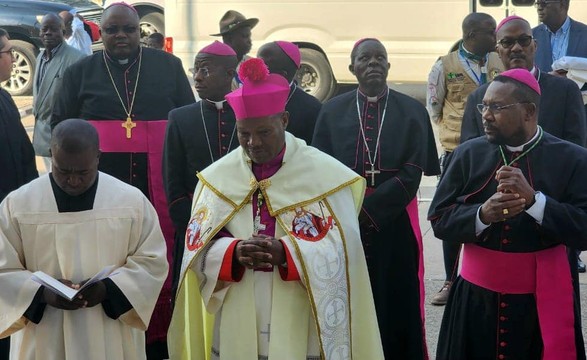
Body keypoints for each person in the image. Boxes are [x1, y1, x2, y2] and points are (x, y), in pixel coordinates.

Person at [167, 58, 384, 359]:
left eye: (264, 132)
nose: (253, 143)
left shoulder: (323, 175)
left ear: (283, 120)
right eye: (244, 134)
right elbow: (196, 248)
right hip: (237, 302)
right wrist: (232, 252)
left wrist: (289, 254)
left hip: (297, 304)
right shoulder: (217, 179)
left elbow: (344, 249)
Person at [50, 3, 195, 358]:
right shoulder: (80, 72)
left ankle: (154, 336)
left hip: (155, 185)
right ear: (101, 32)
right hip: (98, 188)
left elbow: (184, 125)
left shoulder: (169, 67)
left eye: (128, 30)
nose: (121, 37)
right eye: (112, 30)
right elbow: (60, 126)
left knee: (149, 256)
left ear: (139, 30)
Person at [428, 68, 587, 360]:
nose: (485, 116)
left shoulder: (572, 158)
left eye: (497, 107)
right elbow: (439, 219)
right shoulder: (467, 154)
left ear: (528, 111)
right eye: (484, 106)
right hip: (475, 302)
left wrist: (536, 202)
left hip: (540, 305)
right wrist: (481, 215)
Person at [312, 38, 440, 359]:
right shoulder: (330, 112)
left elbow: (413, 170)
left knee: (397, 297)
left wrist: (369, 213)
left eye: (380, 57)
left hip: (395, 221)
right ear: (351, 67)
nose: (373, 63)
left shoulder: (412, 110)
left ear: (389, 65)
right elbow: (321, 170)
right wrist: (349, 211)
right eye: (365, 58)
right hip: (343, 223)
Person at [0, 119, 168, 360]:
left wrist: (108, 289)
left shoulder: (130, 202)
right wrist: (43, 294)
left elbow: (152, 262)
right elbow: (4, 269)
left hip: (108, 332)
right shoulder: (18, 205)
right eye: (63, 171)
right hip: (44, 333)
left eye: (82, 172)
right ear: (51, 155)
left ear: (98, 157)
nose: (73, 180)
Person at [460, 15, 587, 278]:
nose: (516, 48)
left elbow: (576, 153)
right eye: (507, 42)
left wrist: (537, 201)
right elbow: (469, 162)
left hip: (552, 215)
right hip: (496, 220)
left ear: (534, 45)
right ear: (498, 49)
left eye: (523, 40)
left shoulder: (564, 91)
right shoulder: (478, 98)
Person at [426, 12, 503, 306]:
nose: (495, 39)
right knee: (453, 215)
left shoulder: (498, 62)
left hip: (494, 151)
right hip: (457, 152)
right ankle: (449, 279)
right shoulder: (444, 66)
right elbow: (434, 106)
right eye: (489, 32)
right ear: (471, 35)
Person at [163, 40, 239, 298]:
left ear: (230, 73)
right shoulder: (180, 117)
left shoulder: (247, 114)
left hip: (242, 230)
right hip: (194, 230)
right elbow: (172, 182)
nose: (197, 77)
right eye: (195, 70)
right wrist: (194, 227)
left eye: (205, 70)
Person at [0, 27, 39, 359]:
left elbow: (24, 158)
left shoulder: (5, 97)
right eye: (7, 51)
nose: (13, 58)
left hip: (12, 220)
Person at [33, 13, 85, 171]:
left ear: (63, 32)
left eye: (54, 29)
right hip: (43, 137)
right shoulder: (40, 56)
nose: (48, 33)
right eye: (45, 29)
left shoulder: (76, 59)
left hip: (65, 138)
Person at [257, 40, 321, 144]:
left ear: (282, 75)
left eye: (262, 65)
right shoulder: (246, 96)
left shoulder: (312, 109)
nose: (255, 68)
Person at [532, 0, 587, 73]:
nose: (539, 8)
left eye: (543, 4)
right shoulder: (531, 36)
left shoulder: (584, 34)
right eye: (537, 4)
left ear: (562, 4)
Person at [211, 10, 259, 89]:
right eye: (245, 36)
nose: (249, 41)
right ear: (229, 39)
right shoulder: (214, 66)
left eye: (249, 36)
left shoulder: (253, 64)